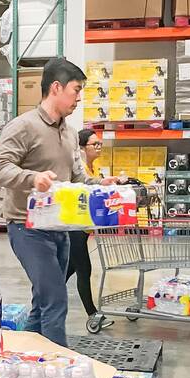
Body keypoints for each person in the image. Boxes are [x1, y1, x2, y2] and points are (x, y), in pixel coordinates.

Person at [0, 57, 116, 346]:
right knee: (56, 301)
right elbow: (0, 169)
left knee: (42, 303)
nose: (79, 98)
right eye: (76, 90)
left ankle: (26, 357)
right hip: (27, 229)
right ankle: (60, 372)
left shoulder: (70, 132)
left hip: (59, 229)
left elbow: (78, 178)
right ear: (57, 88)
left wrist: (102, 185)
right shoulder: (23, 126)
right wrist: (32, 178)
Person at [65, 129, 103, 323]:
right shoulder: (80, 168)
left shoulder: (94, 167)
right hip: (74, 226)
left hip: (85, 225)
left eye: (99, 144)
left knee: (69, 268)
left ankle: (45, 297)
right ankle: (92, 314)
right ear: (81, 148)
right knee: (84, 268)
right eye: (94, 144)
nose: (99, 148)